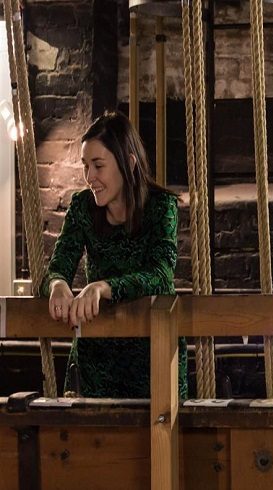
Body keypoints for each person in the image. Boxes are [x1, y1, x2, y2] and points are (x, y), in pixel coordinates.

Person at [41, 111, 187, 398]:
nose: (89, 177)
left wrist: (102, 287)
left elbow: (160, 275)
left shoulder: (161, 207)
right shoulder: (83, 206)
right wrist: (57, 286)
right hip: (96, 357)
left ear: (128, 164)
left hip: (153, 355)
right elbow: (58, 267)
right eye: (85, 166)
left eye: (98, 166)